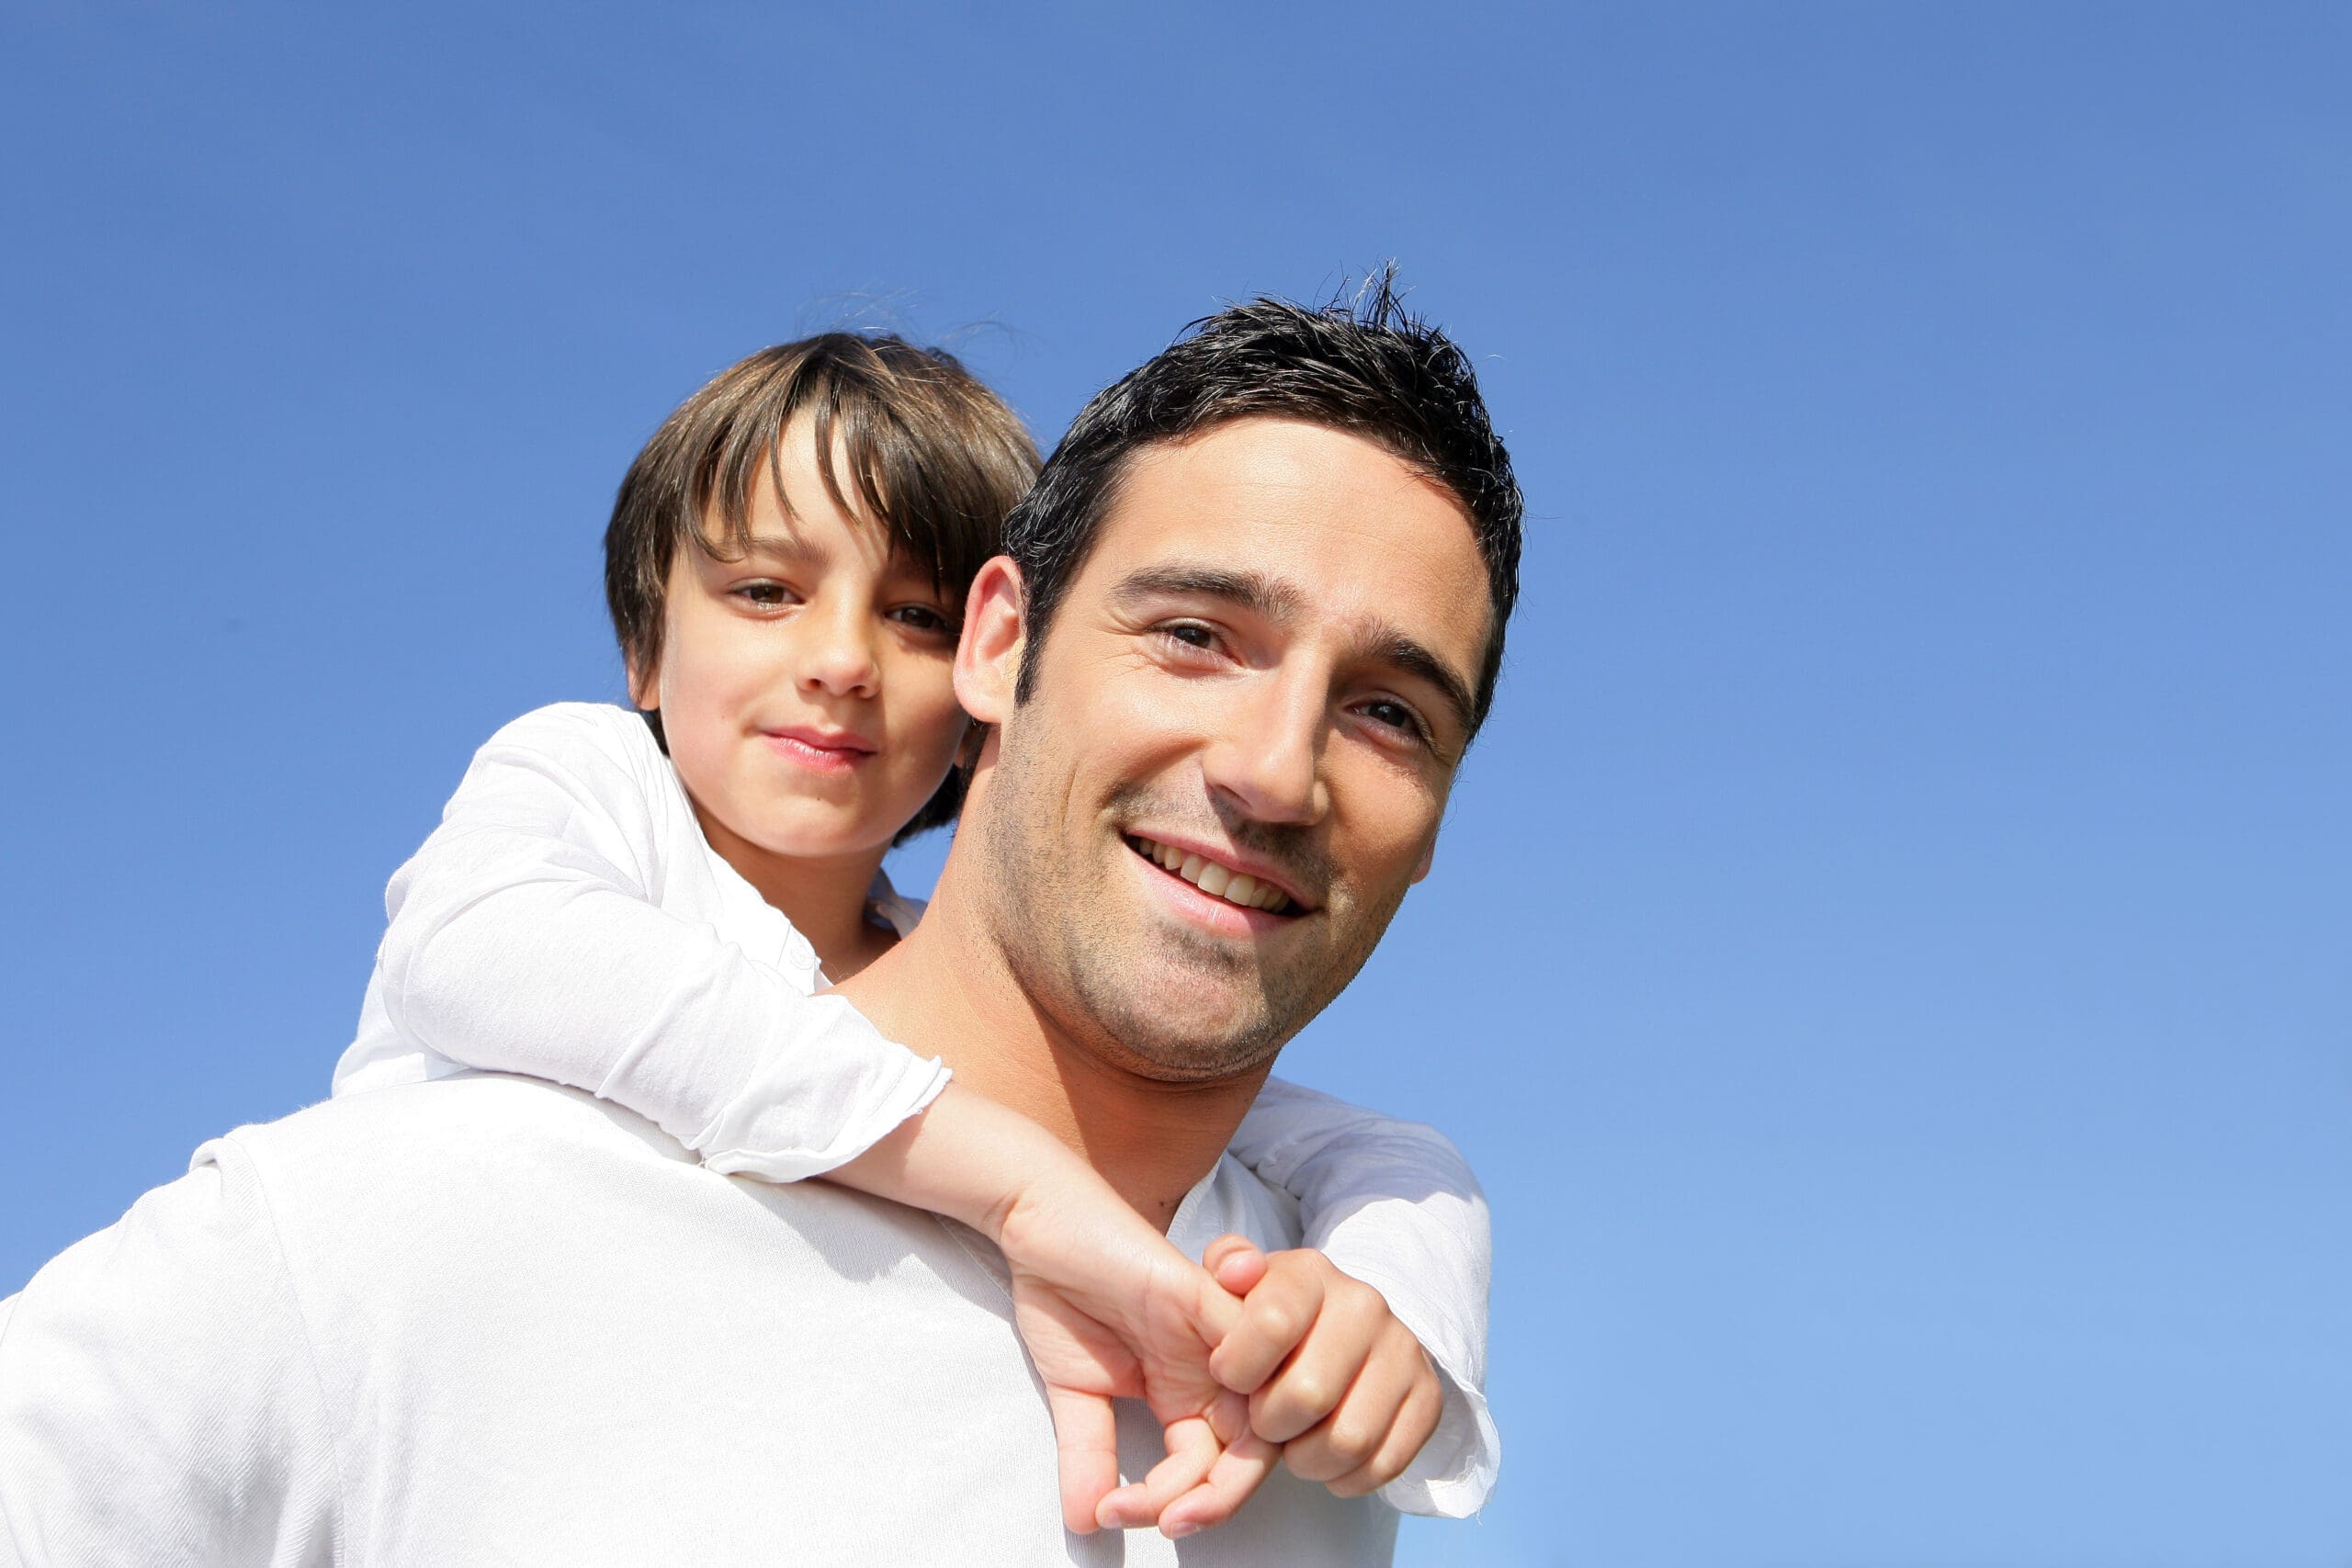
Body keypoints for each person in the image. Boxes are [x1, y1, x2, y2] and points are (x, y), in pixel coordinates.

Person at [0, 283, 1521, 1564]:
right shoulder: (401, 1219)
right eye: (1195, 635)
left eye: (1389, 712)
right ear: (1013, 644)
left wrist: (1409, 1302)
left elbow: (1376, 1153)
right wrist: (1008, 1185)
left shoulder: (1304, 1406)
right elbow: (481, 942)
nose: (1273, 770)